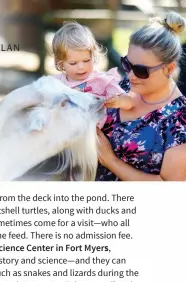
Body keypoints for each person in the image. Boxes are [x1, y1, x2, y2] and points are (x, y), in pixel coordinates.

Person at [97, 13, 186, 180]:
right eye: (127, 64)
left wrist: (111, 161)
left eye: (140, 70)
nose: (130, 75)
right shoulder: (125, 86)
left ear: (169, 68)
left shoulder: (180, 120)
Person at [52, 22, 134, 114]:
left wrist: (119, 101)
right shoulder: (55, 84)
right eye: (73, 63)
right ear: (61, 63)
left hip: (94, 127)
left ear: (93, 56)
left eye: (86, 60)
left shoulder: (102, 81)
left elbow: (129, 102)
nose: (81, 67)